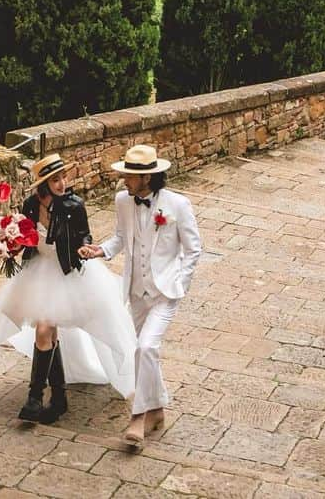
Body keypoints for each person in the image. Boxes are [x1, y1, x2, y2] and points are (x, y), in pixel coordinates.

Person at [0, 153, 136, 423]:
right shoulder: (31, 205)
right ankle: (54, 398)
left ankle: (40, 398)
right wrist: (9, 244)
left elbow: (84, 234)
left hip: (67, 272)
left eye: (63, 178)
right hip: (39, 272)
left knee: (45, 329)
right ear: (44, 184)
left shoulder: (74, 205)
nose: (61, 184)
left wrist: (84, 246)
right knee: (46, 330)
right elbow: (25, 238)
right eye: (55, 180)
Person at [80, 143, 201, 451]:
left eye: (130, 176)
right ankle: (158, 410)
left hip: (164, 292)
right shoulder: (123, 200)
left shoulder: (178, 204)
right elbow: (122, 237)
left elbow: (193, 248)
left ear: (147, 178)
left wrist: (180, 281)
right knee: (144, 352)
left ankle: (139, 417)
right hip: (135, 291)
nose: (124, 181)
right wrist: (101, 251)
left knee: (146, 347)